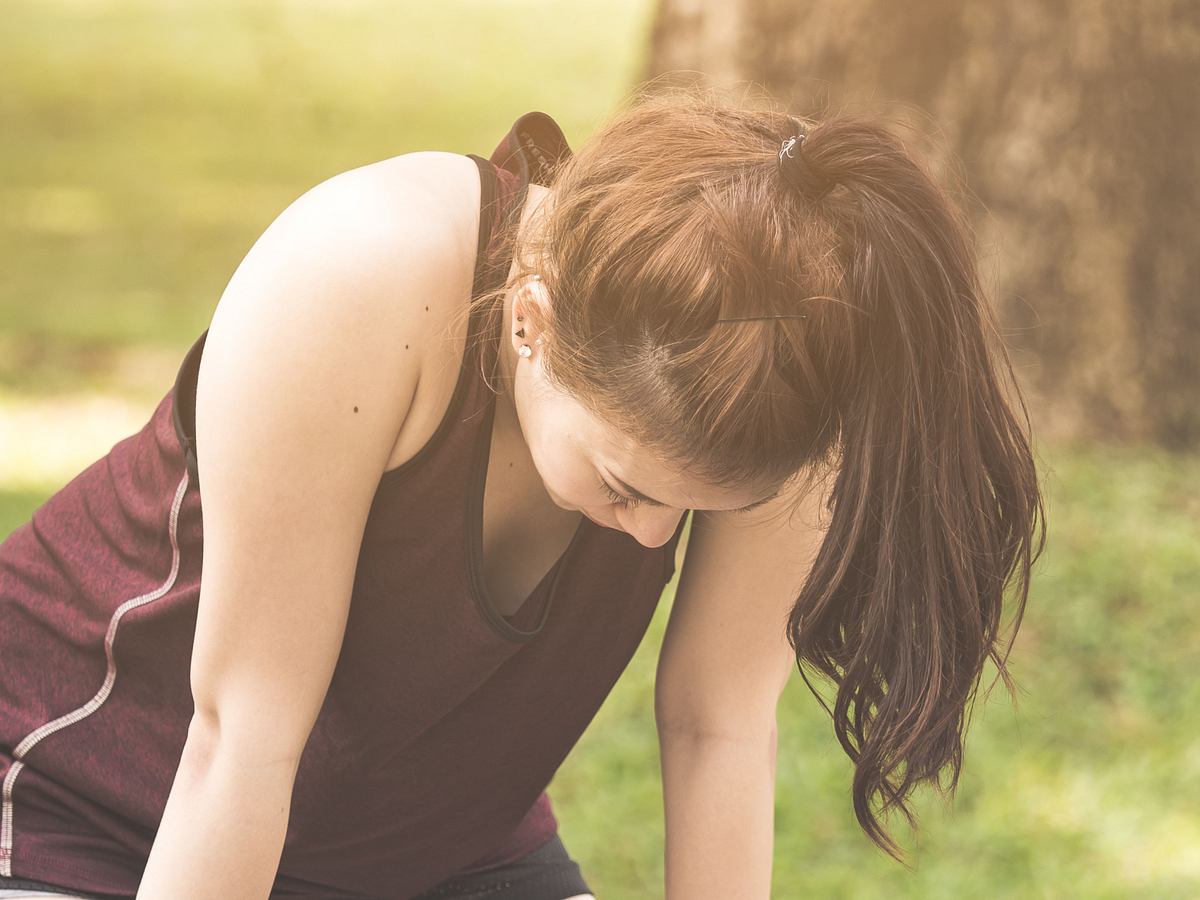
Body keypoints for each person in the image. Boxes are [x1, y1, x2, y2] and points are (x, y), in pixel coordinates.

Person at [0, 85, 1045, 899]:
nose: (654, 539)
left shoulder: (781, 363)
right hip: (95, 805)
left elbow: (718, 724)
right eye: (627, 485)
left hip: (433, 850)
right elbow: (242, 739)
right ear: (530, 320)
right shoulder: (361, 275)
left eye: (696, 512)